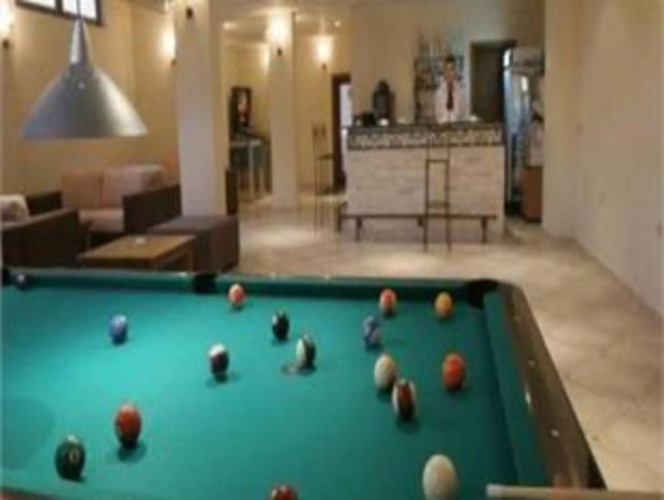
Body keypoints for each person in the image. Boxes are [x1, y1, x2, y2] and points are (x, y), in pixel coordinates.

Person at [434, 56, 468, 123]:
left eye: (451, 69)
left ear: (455, 71)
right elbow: (437, 117)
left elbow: (464, 116)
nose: (449, 73)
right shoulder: (438, 93)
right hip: (443, 127)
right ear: (444, 73)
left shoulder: (461, 93)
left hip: (458, 128)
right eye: (447, 70)